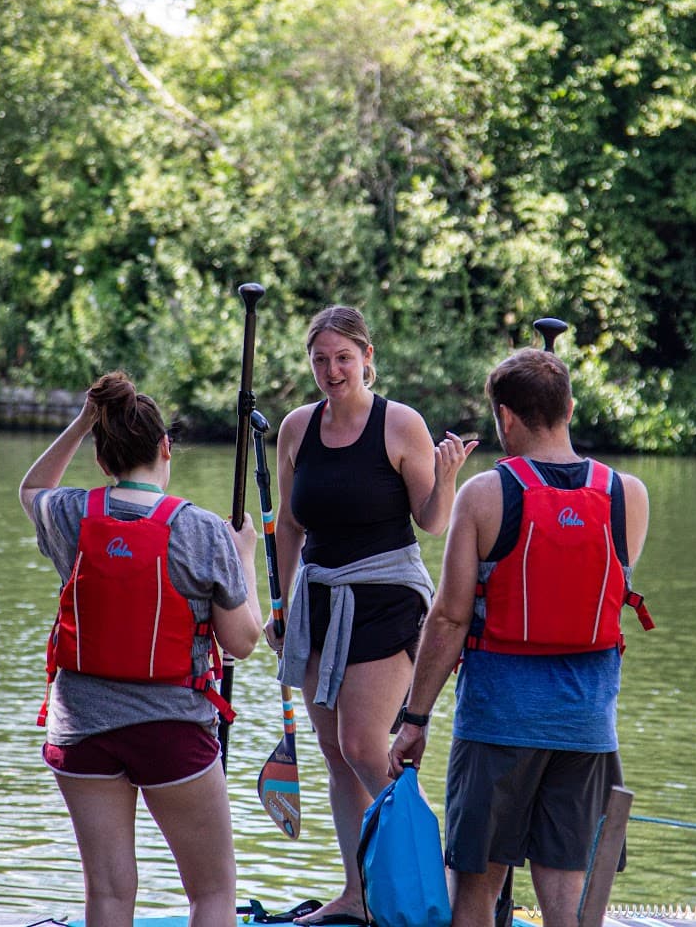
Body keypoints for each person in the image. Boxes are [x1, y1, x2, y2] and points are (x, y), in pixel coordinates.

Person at [388, 348, 654, 927]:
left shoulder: (484, 494)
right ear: (570, 409)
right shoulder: (626, 495)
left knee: (475, 892)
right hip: (587, 729)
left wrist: (415, 719)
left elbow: (449, 619)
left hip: (496, 726)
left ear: (505, 418)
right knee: (567, 897)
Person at [18, 371, 264, 927]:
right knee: (212, 893)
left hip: (79, 729)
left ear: (101, 459)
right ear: (165, 447)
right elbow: (243, 640)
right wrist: (243, 556)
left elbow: (31, 490)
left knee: (108, 893)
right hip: (171, 729)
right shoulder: (202, 530)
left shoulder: (72, 513)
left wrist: (84, 421)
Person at [267, 305, 476, 926]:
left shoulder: (400, 424)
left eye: (343, 358)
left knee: (363, 745)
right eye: (320, 360)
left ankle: (437, 883)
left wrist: (446, 477)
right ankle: (359, 895)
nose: (332, 371)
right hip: (318, 602)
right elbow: (289, 525)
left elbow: (432, 522)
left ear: (367, 358)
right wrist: (281, 604)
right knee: (335, 753)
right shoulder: (296, 428)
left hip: (387, 601)